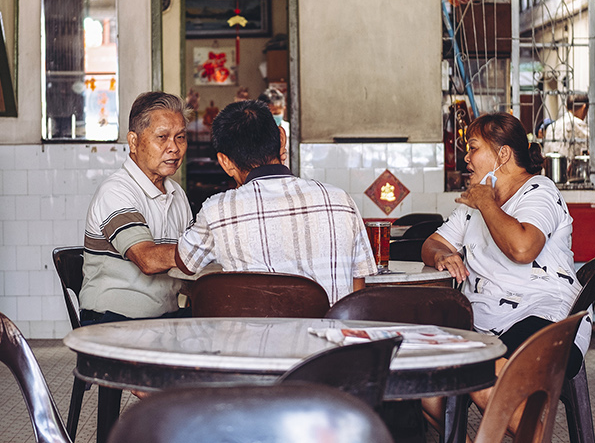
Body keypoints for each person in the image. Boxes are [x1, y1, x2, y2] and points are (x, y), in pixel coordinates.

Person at [421, 112, 588, 443]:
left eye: (473, 148)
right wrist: (441, 255)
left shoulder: (539, 192)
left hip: (545, 319)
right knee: (425, 383)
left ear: (503, 155)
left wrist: (487, 204)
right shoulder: (475, 200)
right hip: (484, 324)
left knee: (480, 371)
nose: (466, 158)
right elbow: (432, 243)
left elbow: (523, 247)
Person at [176, 100, 376, 302]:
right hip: (329, 331)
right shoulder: (340, 200)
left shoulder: (218, 210)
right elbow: (356, 290)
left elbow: (185, 262)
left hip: (258, 333)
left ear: (225, 162)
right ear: (282, 139)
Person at [79, 91, 193, 324]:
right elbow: (148, 260)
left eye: (180, 137)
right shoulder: (116, 191)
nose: (174, 148)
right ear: (133, 141)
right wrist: (211, 246)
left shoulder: (176, 194)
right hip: (112, 320)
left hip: (163, 319)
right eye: (162, 137)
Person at [543, 91, 590, 161]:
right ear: (584, 107)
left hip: (551, 169)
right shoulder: (576, 123)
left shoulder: (552, 127)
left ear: (566, 107)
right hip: (567, 169)